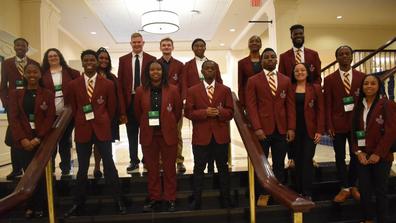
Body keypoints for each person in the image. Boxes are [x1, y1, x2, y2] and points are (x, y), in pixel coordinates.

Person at [64, 50, 125, 217]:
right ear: (82, 63)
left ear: (97, 63)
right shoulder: (73, 84)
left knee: (110, 166)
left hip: (102, 129)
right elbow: (72, 107)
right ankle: (78, 203)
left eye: (92, 59)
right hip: (83, 129)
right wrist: (82, 119)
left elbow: (111, 108)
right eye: (86, 60)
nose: (89, 62)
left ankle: (118, 200)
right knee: (82, 169)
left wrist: (102, 119)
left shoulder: (107, 84)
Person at [8, 63, 56, 218]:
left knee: (40, 175)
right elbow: (13, 119)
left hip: (41, 141)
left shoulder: (48, 94)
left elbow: (50, 117)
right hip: (22, 142)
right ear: (25, 74)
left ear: (40, 74)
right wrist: (23, 139)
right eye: (29, 72)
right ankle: (29, 206)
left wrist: (38, 138)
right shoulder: (16, 94)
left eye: (35, 71)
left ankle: (40, 205)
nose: (32, 74)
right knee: (27, 175)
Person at [134, 61, 182, 212]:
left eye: (158, 69)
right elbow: (138, 113)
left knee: (169, 169)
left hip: (167, 134)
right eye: (152, 69)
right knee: (152, 169)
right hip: (149, 135)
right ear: (148, 72)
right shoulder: (140, 90)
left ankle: (170, 198)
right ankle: (155, 197)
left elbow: (177, 111)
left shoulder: (173, 90)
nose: (155, 72)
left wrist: (167, 123)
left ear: (163, 72)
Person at [185, 60, 233, 209]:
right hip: (201, 137)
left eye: (213, 68)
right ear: (202, 71)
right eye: (207, 68)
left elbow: (231, 112)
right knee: (199, 169)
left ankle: (226, 199)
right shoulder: (192, 90)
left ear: (216, 71)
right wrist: (204, 113)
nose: (210, 71)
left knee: (223, 168)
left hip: (220, 137)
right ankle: (197, 200)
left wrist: (220, 112)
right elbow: (188, 112)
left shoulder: (225, 90)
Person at [246, 48, 296, 184]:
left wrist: (291, 128)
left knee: (279, 163)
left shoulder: (285, 80)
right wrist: (257, 128)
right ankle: (263, 193)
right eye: (266, 57)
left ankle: (280, 192)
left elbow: (290, 106)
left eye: (272, 57)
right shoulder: (253, 81)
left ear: (276, 60)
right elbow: (252, 107)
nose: (270, 59)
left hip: (281, 129)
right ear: (261, 62)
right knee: (262, 165)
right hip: (262, 130)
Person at [351, 74, 396, 223]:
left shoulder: (387, 104)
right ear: (362, 87)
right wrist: (358, 152)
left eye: (373, 83)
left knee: (380, 191)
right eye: (366, 84)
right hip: (363, 156)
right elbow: (354, 132)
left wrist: (378, 153)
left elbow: (391, 131)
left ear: (378, 86)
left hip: (382, 157)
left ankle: (383, 219)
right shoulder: (358, 105)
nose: (369, 86)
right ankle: (368, 219)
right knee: (364, 190)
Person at [324, 45, 365, 203]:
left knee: (357, 154)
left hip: (357, 126)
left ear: (352, 56)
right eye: (341, 54)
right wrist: (329, 125)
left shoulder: (362, 77)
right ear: (337, 58)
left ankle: (353, 184)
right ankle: (344, 187)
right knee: (339, 156)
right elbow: (327, 103)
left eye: (347, 53)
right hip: (337, 125)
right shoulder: (329, 79)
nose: (344, 56)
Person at [278, 24, 322, 168]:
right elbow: (283, 78)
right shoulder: (284, 57)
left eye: (300, 34)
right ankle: (291, 158)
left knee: (309, 127)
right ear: (291, 36)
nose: (298, 36)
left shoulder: (313, 54)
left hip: (309, 96)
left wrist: (312, 92)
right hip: (292, 97)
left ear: (304, 35)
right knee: (292, 128)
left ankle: (310, 157)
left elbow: (317, 77)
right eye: (295, 34)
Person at [0, 38, 40, 180]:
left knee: (30, 133)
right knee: (15, 135)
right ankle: (16, 169)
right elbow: (3, 85)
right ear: (14, 47)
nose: (20, 47)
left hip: (30, 103)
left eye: (23, 45)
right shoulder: (6, 63)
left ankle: (30, 167)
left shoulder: (35, 64)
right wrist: (6, 103)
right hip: (13, 104)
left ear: (27, 48)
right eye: (18, 45)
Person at [182, 38, 222, 173]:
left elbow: (219, 82)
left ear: (205, 48)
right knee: (200, 133)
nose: (199, 47)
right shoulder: (187, 65)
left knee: (213, 133)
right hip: (196, 103)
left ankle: (211, 165)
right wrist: (186, 100)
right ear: (193, 48)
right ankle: (201, 162)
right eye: (196, 46)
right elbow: (184, 84)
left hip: (212, 101)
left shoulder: (213, 64)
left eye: (202, 45)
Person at [118, 32, 156, 173]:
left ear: (143, 43)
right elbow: (120, 86)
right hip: (130, 101)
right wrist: (122, 109)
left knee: (147, 132)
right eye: (134, 42)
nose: (137, 44)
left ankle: (147, 160)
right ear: (131, 43)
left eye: (139, 42)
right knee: (131, 133)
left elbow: (155, 82)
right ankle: (133, 160)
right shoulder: (123, 60)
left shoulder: (152, 59)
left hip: (147, 101)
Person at [41, 48, 80, 177]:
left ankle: (65, 168)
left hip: (67, 114)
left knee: (64, 140)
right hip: (49, 114)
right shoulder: (42, 74)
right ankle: (50, 167)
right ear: (47, 59)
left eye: (55, 55)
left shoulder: (71, 72)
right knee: (50, 141)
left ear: (60, 57)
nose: (53, 58)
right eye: (50, 56)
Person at [91, 47, 126, 178]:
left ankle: (108, 166)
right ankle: (97, 167)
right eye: (101, 58)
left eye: (106, 58)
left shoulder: (112, 77)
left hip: (110, 116)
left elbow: (119, 95)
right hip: (95, 116)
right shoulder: (91, 76)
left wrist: (122, 113)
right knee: (97, 142)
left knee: (107, 142)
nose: (104, 60)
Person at [291, 63, 325, 198]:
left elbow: (320, 110)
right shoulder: (290, 87)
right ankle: (298, 190)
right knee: (297, 159)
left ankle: (307, 192)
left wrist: (320, 130)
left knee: (307, 159)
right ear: (293, 73)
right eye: (296, 70)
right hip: (293, 130)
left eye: (302, 70)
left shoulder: (315, 88)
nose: (299, 72)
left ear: (307, 72)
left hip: (310, 130)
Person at [158, 37, 186, 173]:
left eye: (169, 45)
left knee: (177, 133)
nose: (166, 47)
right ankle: (162, 161)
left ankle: (179, 160)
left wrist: (181, 102)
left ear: (172, 47)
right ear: (160, 48)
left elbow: (183, 86)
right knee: (160, 134)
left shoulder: (180, 65)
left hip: (175, 105)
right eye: (164, 45)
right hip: (158, 105)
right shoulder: (155, 64)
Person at [238, 35, 262, 107]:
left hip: (265, 98)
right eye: (251, 41)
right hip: (249, 99)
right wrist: (242, 103)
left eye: (257, 41)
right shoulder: (242, 63)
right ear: (248, 45)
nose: (254, 43)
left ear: (261, 45)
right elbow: (240, 85)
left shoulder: (266, 61)